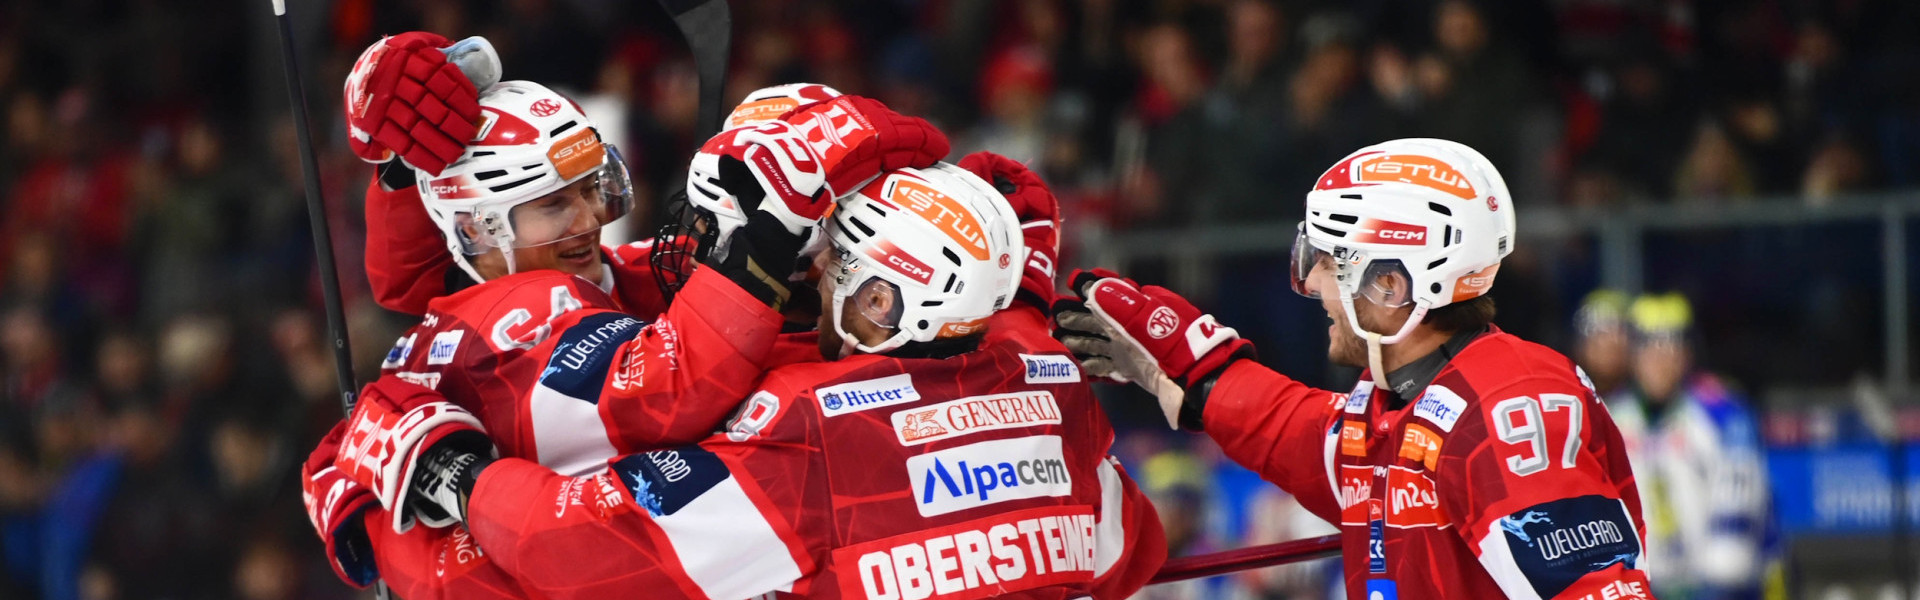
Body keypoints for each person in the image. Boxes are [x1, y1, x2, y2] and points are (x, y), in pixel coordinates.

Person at [327, 161, 1166, 599]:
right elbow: (1132, 551)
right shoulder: (1054, 387)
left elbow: (567, 550)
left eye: (839, 258)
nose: (816, 272)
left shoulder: (811, 428)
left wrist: (454, 475)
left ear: (884, 297)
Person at [303, 33, 953, 591]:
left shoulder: (540, 284)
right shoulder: (515, 316)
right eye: (554, 204)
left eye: (592, 188)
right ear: (475, 228)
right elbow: (672, 382)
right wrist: (768, 237)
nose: (589, 219)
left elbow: (685, 273)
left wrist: (947, 231)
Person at [1055, 138, 1656, 599]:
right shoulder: (1402, 395)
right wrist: (1200, 374)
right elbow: (1306, 439)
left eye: (1330, 260)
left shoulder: (1504, 405)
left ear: (1392, 285)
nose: (1314, 281)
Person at [1607, 292, 1771, 599]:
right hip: (1645, 585)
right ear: (1632, 355)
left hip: (1716, 587)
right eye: (1648, 347)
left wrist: (1718, 580)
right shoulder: (1612, 414)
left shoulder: (1722, 411)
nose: (1660, 360)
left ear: (1688, 353)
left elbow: (1739, 508)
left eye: (1671, 345)